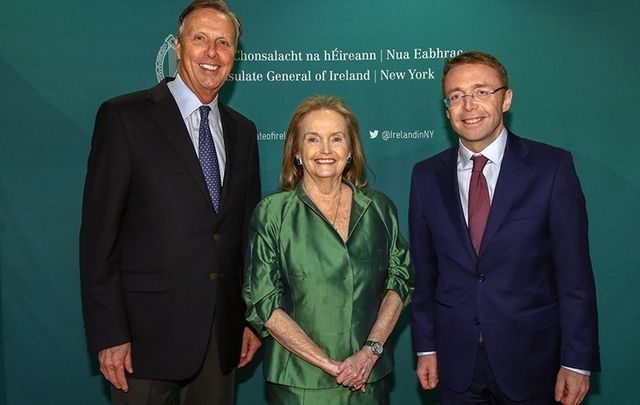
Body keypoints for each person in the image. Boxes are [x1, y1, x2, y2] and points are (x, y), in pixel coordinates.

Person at [79, 1, 261, 403]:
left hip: (220, 336)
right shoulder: (124, 117)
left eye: (223, 43)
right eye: (200, 39)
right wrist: (110, 333)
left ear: (235, 56)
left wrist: (249, 320)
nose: (212, 53)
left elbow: (246, 237)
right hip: (143, 340)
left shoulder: (243, 132)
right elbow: (98, 236)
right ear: (178, 47)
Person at [409, 51, 600, 405]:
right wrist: (426, 347)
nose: (469, 105)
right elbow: (424, 274)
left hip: (533, 361)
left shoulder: (552, 168)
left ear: (506, 98)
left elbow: (574, 275)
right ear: (446, 107)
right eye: (456, 96)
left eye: (482, 91)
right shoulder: (425, 176)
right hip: (455, 365)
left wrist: (577, 361)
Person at [243, 95, 413, 404]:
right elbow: (264, 301)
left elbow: (399, 282)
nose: (325, 150)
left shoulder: (380, 209)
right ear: (296, 151)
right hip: (299, 384)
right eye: (313, 139)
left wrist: (368, 353)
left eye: (336, 139)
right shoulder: (273, 214)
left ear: (350, 151)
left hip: (368, 380)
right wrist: (332, 366)